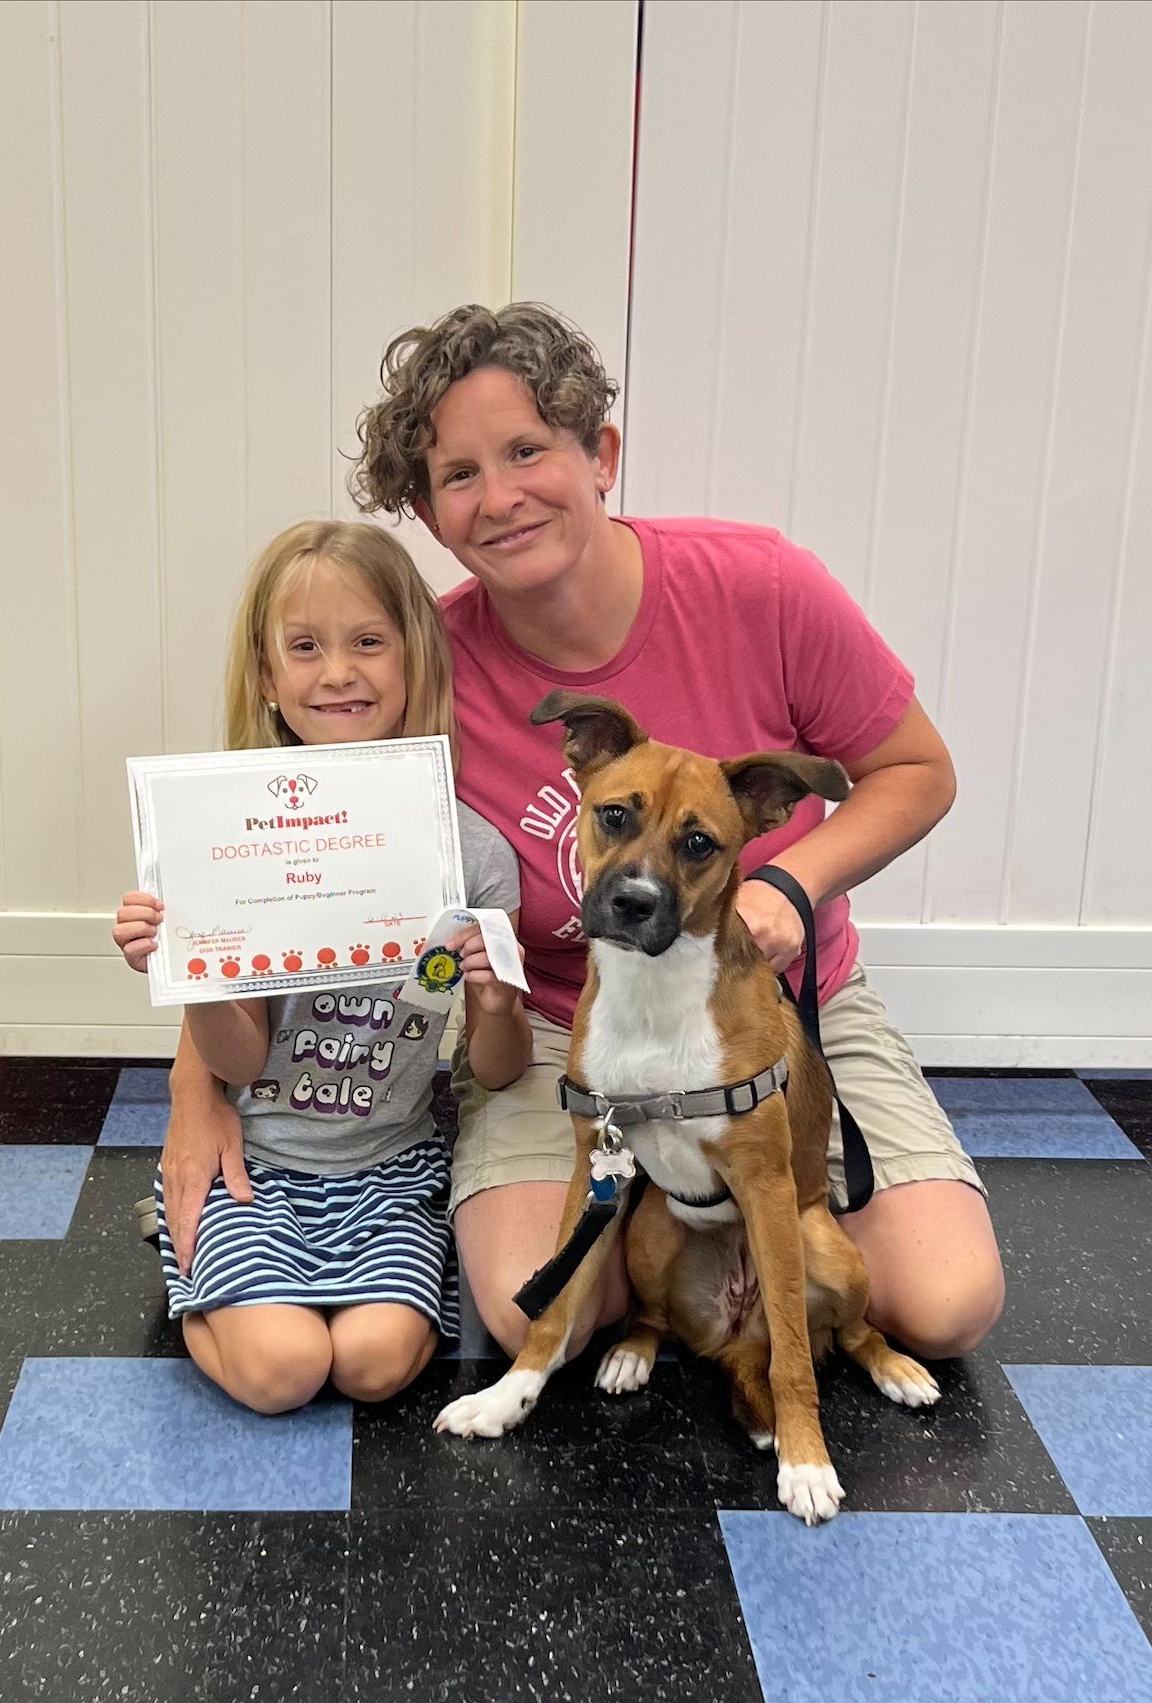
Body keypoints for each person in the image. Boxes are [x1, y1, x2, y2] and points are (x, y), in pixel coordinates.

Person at [162, 303, 1005, 1370]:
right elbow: (276, 858)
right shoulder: (423, 666)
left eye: (526, 450)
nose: (500, 496)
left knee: (943, 1303)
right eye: (458, 474)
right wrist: (196, 1093)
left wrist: (786, 887)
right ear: (426, 508)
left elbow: (917, 771)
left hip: (777, 1008)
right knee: (536, 1317)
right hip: (562, 1023)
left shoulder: (763, 588)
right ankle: (690, 1239)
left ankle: (735, 1231)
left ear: (599, 454)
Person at [115, 520, 531, 1413]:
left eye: (368, 642)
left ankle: (275, 1286)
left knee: (373, 1364)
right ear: (269, 677)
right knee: (284, 1370)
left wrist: (496, 1004)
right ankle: (196, 1277)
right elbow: (239, 1063)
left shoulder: (475, 858)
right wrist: (196, 974)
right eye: (304, 648)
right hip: (256, 1165)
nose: (337, 672)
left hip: (394, 1164)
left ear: (417, 656)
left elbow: (499, 1069)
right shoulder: (229, 836)